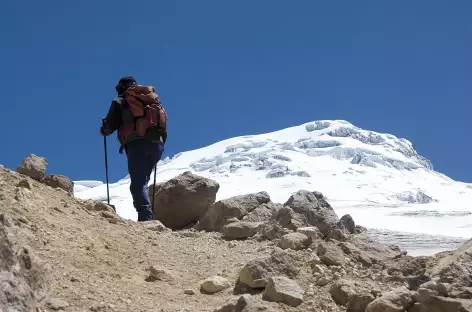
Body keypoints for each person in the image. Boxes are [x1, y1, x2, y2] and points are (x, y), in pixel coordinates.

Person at [100, 76, 166, 221]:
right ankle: (148, 214)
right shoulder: (149, 100)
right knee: (143, 181)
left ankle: (145, 217)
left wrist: (104, 128)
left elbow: (110, 126)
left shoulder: (120, 100)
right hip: (157, 145)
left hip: (137, 144)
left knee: (138, 184)